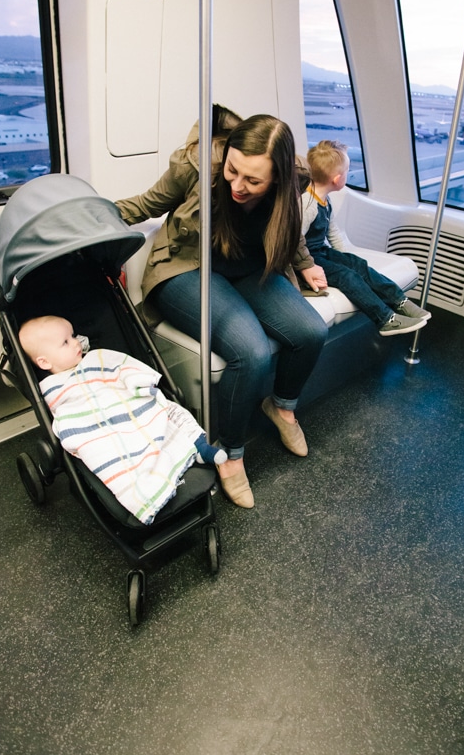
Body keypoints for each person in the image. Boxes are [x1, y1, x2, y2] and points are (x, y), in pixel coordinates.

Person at [115, 110, 329, 509]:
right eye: (233, 171)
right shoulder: (197, 164)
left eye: (253, 181)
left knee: (310, 332)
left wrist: (305, 262)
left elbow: (289, 222)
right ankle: (229, 454)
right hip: (186, 268)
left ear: (278, 178)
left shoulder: (294, 179)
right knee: (250, 352)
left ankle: (282, 409)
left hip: (246, 267)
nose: (238, 186)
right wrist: (88, 219)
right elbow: (145, 204)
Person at [19, 315, 227, 525]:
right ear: (44, 362)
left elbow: (123, 367)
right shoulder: (50, 389)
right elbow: (67, 420)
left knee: (164, 413)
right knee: (108, 448)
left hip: (129, 409)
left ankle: (196, 449)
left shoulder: (96, 359)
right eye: (66, 342)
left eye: (73, 336)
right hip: (97, 429)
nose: (76, 342)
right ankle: (145, 488)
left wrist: (140, 384)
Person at [299, 139, 431, 336]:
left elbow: (332, 230)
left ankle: (399, 300)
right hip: (308, 260)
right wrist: (306, 268)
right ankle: (385, 319)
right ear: (336, 179)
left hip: (321, 251)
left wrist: (345, 258)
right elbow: (294, 240)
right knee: (347, 276)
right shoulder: (307, 204)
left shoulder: (324, 198)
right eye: (346, 171)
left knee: (357, 265)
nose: (347, 174)